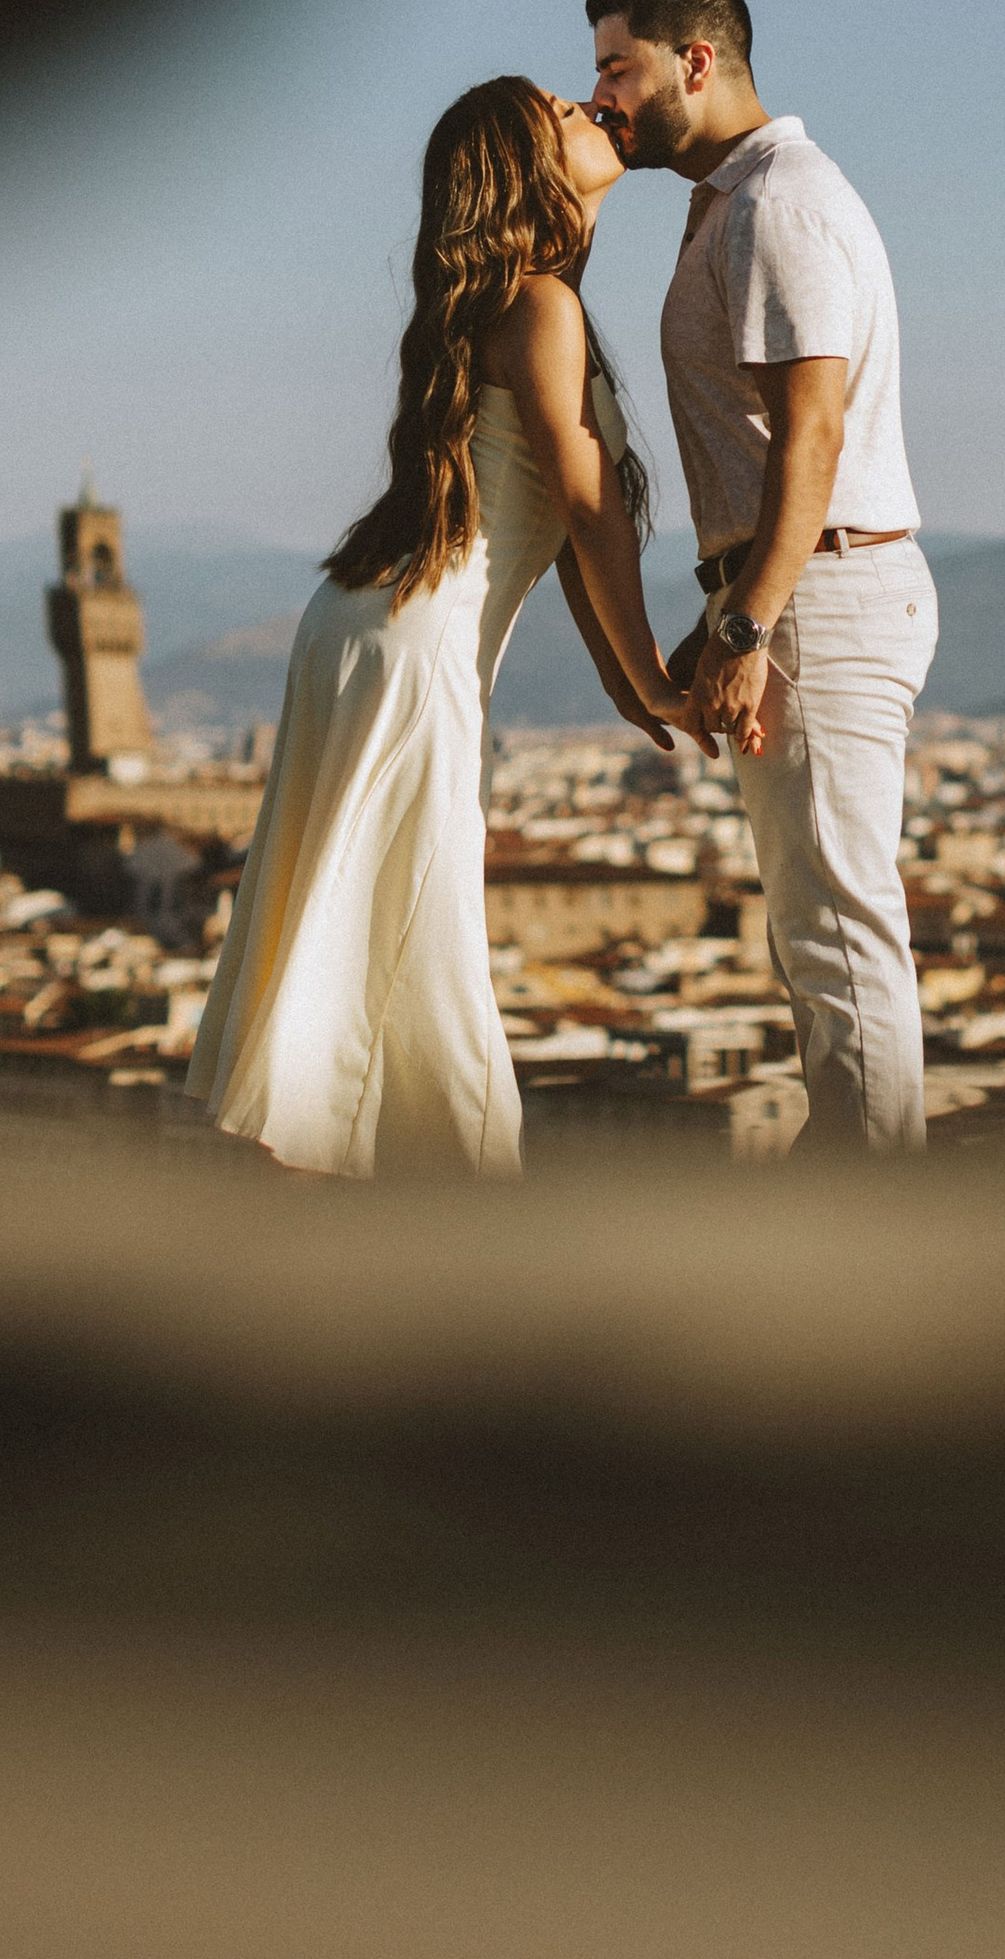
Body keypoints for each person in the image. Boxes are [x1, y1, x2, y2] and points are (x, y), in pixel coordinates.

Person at [188, 76, 705, 1178]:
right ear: (529, 173)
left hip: (367, 622)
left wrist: (627, 679)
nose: (591, 109)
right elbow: (584, 500)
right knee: (422, 920)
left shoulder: (517, 302)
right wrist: (652, 674)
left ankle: (389, 1171)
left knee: (374, 909)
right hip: (414, 641)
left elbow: (557, 517)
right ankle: (469, 1184)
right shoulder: (542, 307)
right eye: (564, 112)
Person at [586, 0, 937, 1150]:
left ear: (698, 59)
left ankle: (873, 1208)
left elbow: (815, 429)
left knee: (838, 930)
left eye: (617, 67)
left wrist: (746, 621)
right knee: (817, 929)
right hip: (806, 582)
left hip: (820, 592)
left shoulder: (777, 200)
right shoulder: (738, 198)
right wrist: (729, 605)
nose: (602, 99)